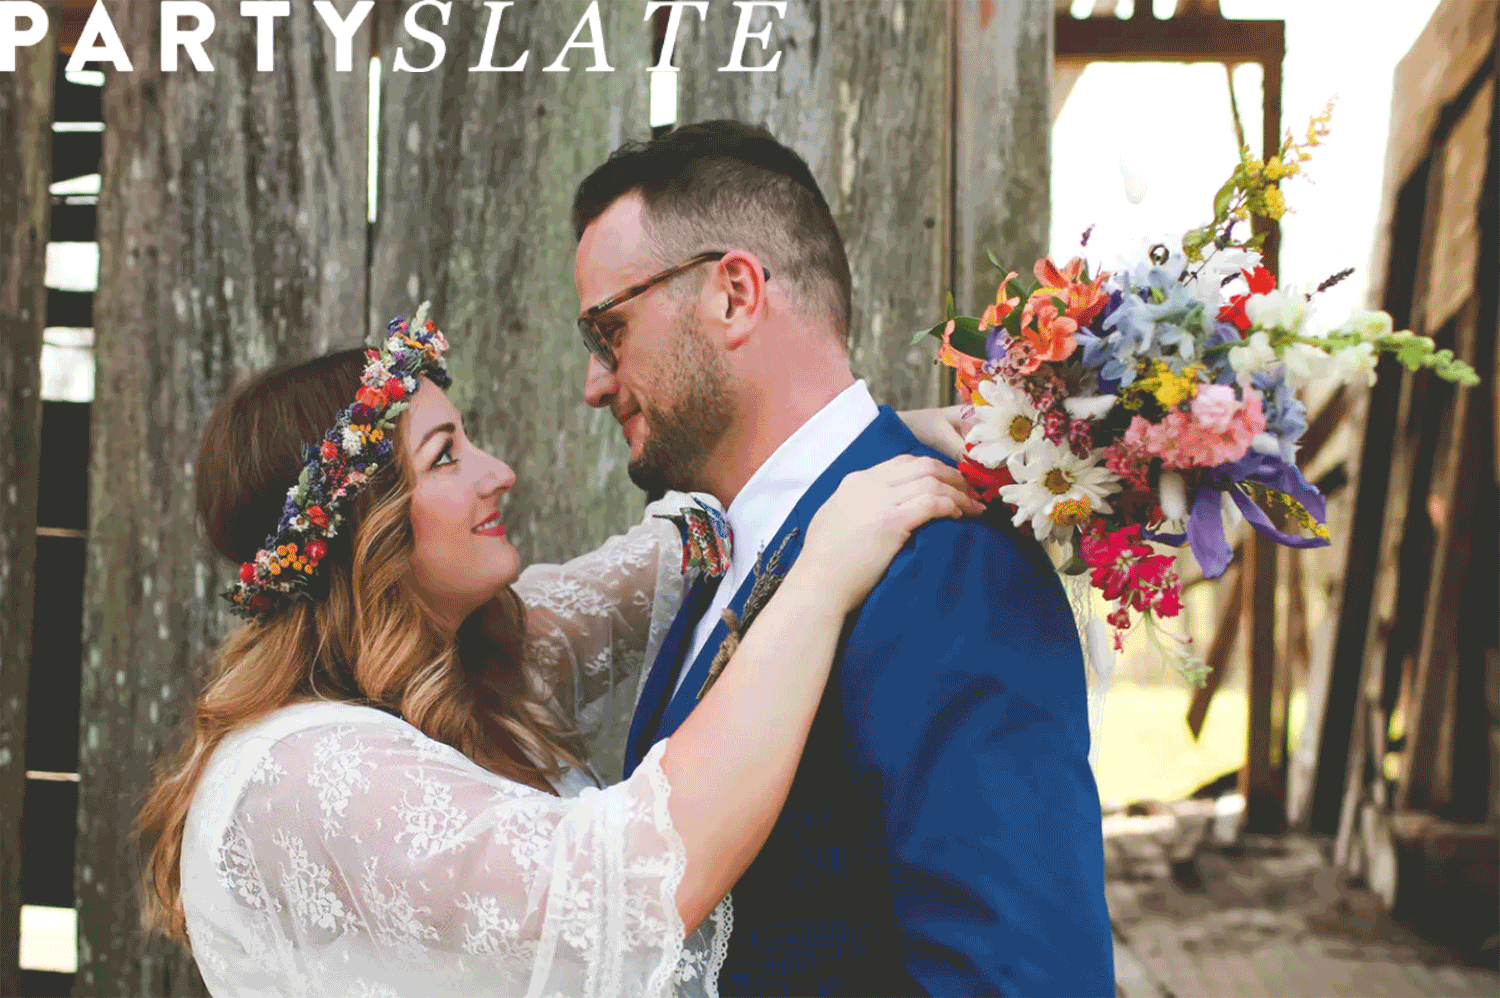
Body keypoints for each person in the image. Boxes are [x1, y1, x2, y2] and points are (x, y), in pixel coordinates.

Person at [133, 308, 982, 998]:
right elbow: (628, 885)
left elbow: (672, 549)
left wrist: (861, 450)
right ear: (366, 530)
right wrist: (824, 574)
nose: (496, 471)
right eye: (447, 457)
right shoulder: (304, 775)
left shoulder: (474, 664)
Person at [572, 119, 1116, 997]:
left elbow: (1018, 978)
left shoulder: (949, 566)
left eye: (610, 330)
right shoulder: (729, 552)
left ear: (734, 294)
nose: (595, 381)